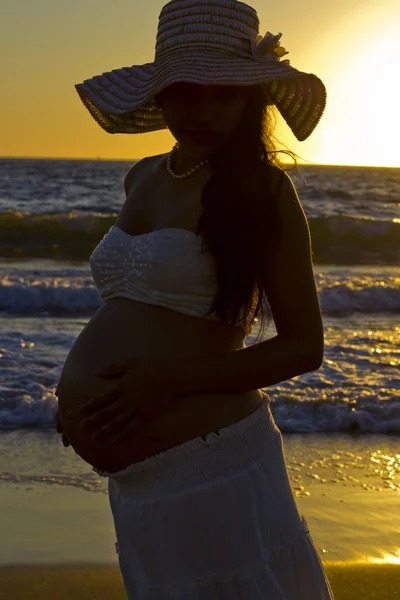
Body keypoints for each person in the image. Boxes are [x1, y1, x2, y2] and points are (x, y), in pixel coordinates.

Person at [54, 0, 335, 597]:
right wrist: (77, 400)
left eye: (223, 93)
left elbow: (304, 347)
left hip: (211, 468)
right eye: (187, 91)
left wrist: (165, 382)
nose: (203, 109)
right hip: (139, 484)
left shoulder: (263, 191)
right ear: (162, 95)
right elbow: (133, 304)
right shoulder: (143, 175)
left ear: (250, 97)